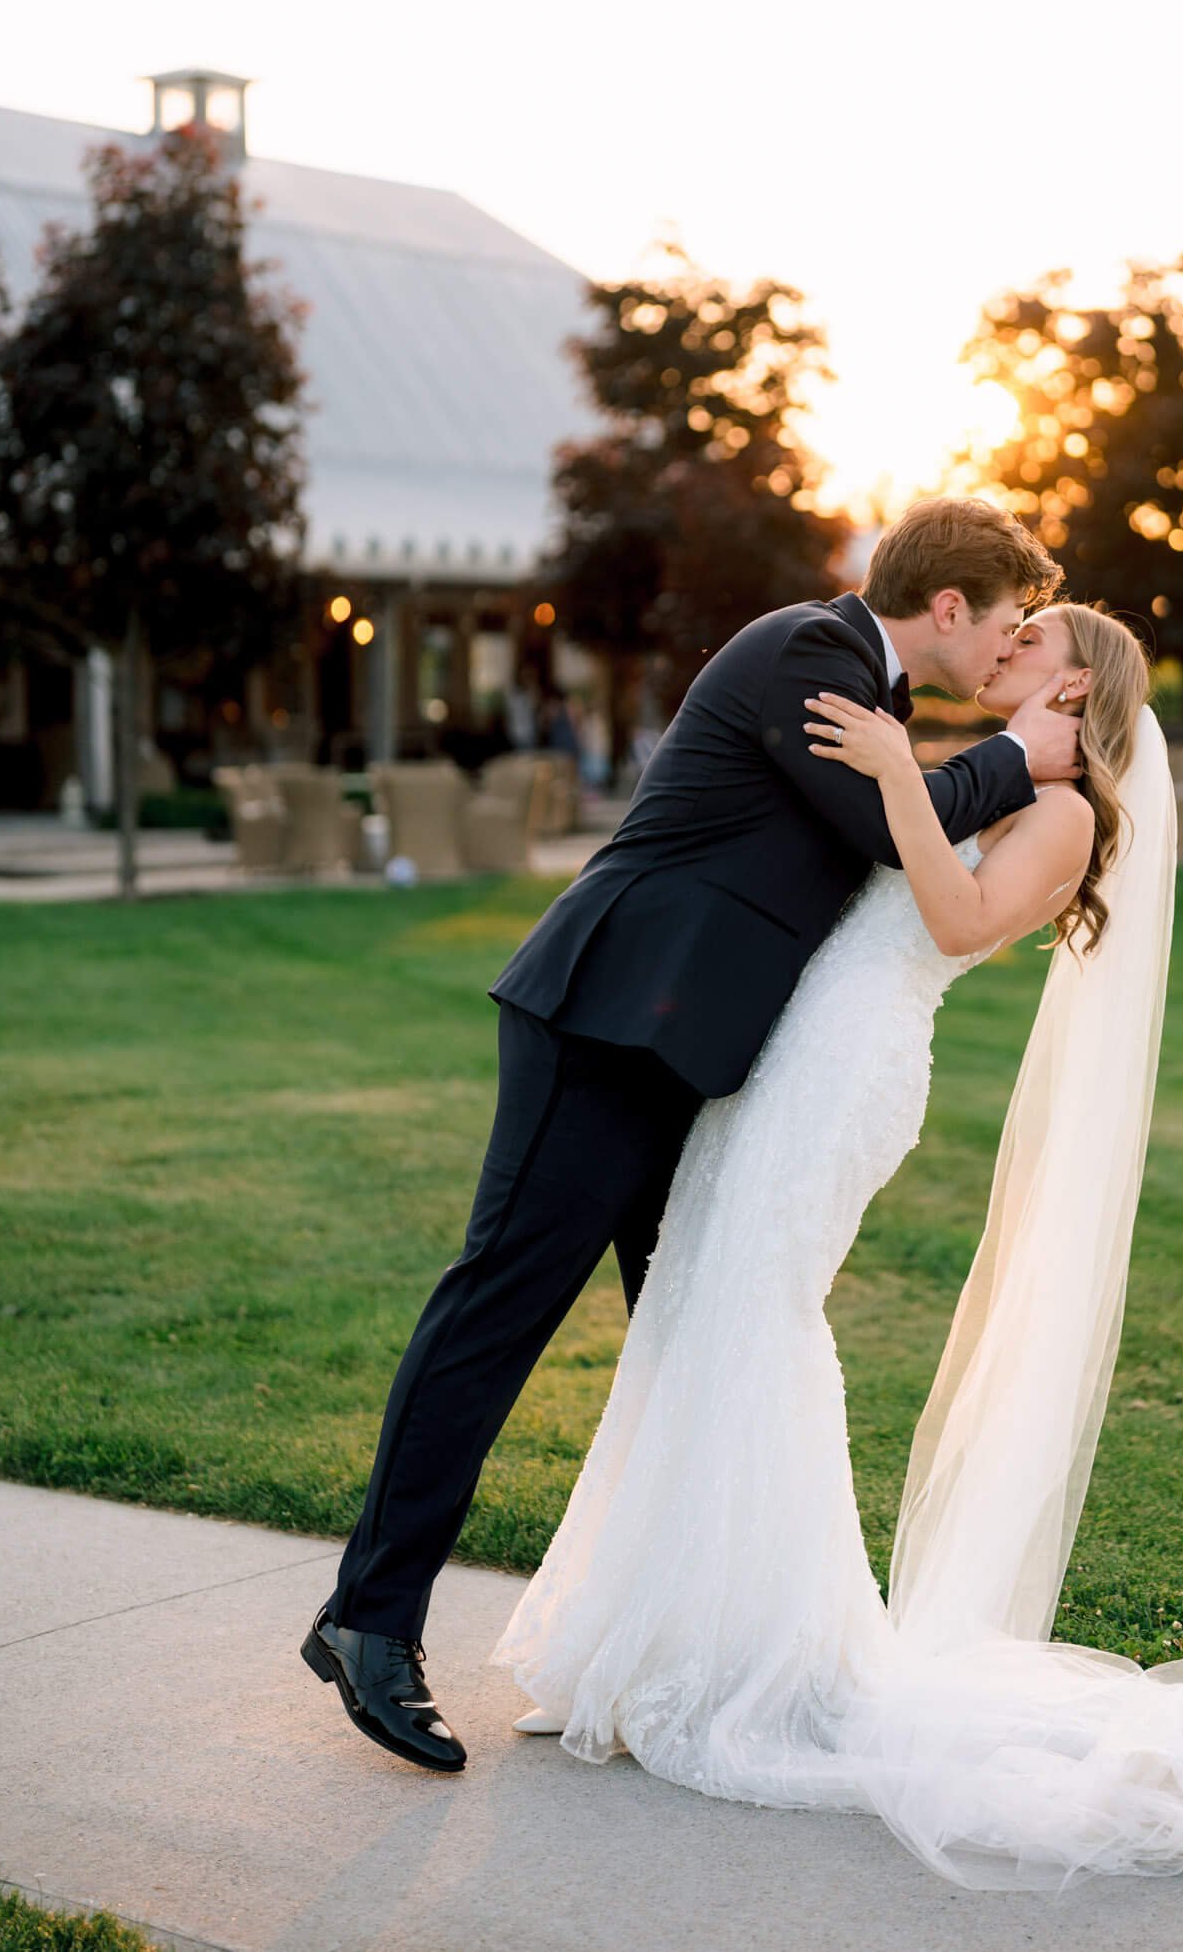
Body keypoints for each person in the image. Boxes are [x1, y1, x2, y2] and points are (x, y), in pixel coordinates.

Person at [489, 599, 1183, 1888]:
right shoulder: (991, 771)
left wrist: (897, 773)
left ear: (1075, 683)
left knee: (756, 1315)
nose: (1006, 644)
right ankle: (649, 1639)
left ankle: (761, 1661)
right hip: (790, 1052)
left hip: (850, 1070)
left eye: (1032, 636)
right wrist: (906, 774)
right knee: (697, 1307)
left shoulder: (1065, 814)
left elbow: (952, 921)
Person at [301, 499, 1076, 1770]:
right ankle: (368, 1621)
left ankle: (670, 1655)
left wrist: (997, 761)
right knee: (498, 1309)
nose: (1006, 646)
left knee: (699, 1342)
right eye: (1005, 620)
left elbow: (898, 824)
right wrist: (1020, 753)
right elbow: (886, 824)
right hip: (605, 1021)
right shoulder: (808, 655)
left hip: (682, 1051)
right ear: (949, 605)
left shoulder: (869, 692)